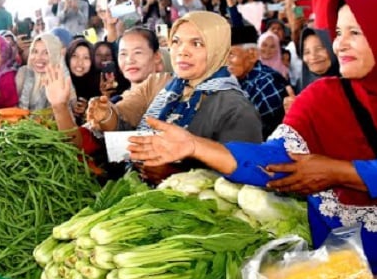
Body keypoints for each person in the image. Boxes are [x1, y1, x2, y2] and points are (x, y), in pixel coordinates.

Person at [127, 0, 377, 279]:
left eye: (355, 32)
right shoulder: (321, 98)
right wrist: (195, 147)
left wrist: (341, 172)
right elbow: (273, 161)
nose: (339, 43)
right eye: (339, 31)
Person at [85, 11, 262, 184]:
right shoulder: (168, 87)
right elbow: (123, 122)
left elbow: (243, 180)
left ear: (219, 49)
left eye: (197, 43)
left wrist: (174, 175)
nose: (182, 51)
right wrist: (105, 114)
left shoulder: (236, 108)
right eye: (176, 41)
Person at [228, 25, 288, 138]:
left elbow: (249, 131)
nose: (225, 62)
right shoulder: (237, 79)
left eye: (231, 54)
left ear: (252, 55)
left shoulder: (267, 82)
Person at [16, 33, 74, 111]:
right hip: (22, 122)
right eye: (35, 51)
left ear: (55, 54)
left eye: (46, 52)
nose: (38, 57)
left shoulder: (62, 78)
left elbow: (71, 110)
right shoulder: (23, 73)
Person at [66, 38, 101, 123]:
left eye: (86, 57)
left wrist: (89, 110)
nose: (80, 62)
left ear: (92, 61)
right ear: (68, 58)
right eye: (75, 56)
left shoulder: (100, 84)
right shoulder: (60, 83)